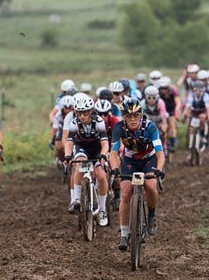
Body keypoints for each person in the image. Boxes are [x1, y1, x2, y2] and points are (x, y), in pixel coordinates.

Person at [109, 98, 165, 251]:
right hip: (130, 160)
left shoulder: (151, 127)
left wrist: (159, 170)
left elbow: (160, 153)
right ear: (124, 117)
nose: (132, 119)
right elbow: (113, 153)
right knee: (126, 192)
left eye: (135, 115)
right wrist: (114, 168)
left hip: (149, 159)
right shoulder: (119, 128)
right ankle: (125, 234)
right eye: (128, 116)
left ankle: (152, 215)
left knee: (150, 185)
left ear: (141, 115)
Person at [64, 93, 109, 227]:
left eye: (84, 113)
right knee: (80, 165)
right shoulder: (74, 123)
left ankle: (102, 209)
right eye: (79, 113)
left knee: (101, 176)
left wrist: (102, 155)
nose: (82, 116)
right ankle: (77, 199)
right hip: (82, 147)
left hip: (97, 148)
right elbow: (70, 142)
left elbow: (105, 143)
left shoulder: (99, 122)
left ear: (90, 112)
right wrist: (67, 156)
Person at [182, 80, 209, 152]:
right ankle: (190, 142)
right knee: (190, 126)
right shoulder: (191, 96)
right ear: (193, 90)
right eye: (196, 90)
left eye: (199, 90)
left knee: (202, 118)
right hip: (194, 112)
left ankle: (203, 135)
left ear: (202, 90)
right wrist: (184, 116)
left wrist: (208, 117)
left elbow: (207, 108)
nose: (197, 92)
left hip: (203, 112)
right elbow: (187, 107)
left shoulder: (206, 96)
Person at [142, 85, 168, 156]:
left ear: (157, 97)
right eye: (149, 97)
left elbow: (164, 118)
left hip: (158, 122)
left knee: (163, 132)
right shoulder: (142, 104)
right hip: (148, 123)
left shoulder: (161, 103)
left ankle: (164, 146)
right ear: (146, 97)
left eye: (154, 97)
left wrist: (163, 128)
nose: (151, 100)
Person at [158, 76, 181, 152]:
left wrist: (176, 111)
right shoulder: (158, 92)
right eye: (162, 88)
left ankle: (172, 143)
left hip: (171, 110)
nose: (163, 90)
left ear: (169, 87)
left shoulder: (174, 91)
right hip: (162, 111)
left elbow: (178, 103)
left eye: (165, 88)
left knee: (171, 123)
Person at [51, 95, 74, 163]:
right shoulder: (58, 115)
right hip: (62, 129)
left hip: (73, 129)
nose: (68, 110)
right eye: (65, 107)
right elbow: (55, 129)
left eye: (70, 107)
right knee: (59, 147)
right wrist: (52, 140)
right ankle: (61, 160)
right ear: (62, 107)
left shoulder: (76, 114)